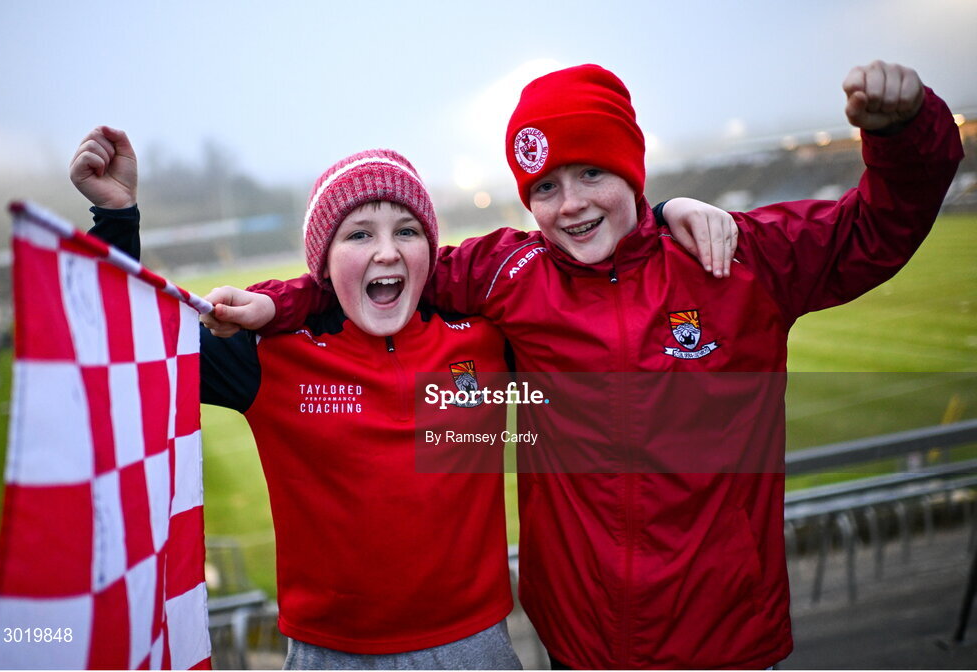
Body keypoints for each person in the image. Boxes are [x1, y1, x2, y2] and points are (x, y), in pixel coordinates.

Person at [223, 60, 964, 668]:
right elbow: (382, 269)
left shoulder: (737, 257)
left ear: (631, 172)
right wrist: (281, 302)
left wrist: (901, 134)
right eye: (544, 188)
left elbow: (879, 225)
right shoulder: (508, 272)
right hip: (577, 648)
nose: (569, 205)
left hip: (729, 642)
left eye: (590, 175)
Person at [71, 136, 523, 669]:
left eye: (407, 231)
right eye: (359, 234)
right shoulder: (272, 355)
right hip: (330, 656)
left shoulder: (484, 338)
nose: (387, 251)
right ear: (324, 266)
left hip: (477, 647)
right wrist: (117, 218)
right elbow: (124, 352)